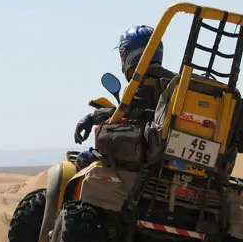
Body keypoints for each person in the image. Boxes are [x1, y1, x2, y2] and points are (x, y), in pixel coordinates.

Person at [74, 25, 176, 169]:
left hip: (145, 158)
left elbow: (131, 112)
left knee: (83, 159)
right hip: (169, 157)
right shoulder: (176, 82)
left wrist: (92, 118)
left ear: (127, 53)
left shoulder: (139, 83)